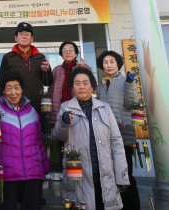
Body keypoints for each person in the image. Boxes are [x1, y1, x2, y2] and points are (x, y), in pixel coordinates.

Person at [53, 67, 130, 210]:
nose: (81, 86)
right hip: (78, 177)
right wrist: (64, 122)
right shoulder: (65, 108)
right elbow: (58, 135)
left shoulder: (105, 108)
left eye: (85, 83)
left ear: (92, 86)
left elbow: (116, 143)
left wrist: (122, 176)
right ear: (72, 87)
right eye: (77, 83)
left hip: (104, 176)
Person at [0, 70, 50, 210]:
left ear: (22, 90)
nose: (13, 92)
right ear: (3, 91)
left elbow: (39, 142)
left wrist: (44, 169)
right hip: (6, 175)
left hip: (32, 175)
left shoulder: (31, 111)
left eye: (17, 87)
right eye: (9, 88)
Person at [96, 50, 140, 210]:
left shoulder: (125, 81)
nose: (108, 65)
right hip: (106, 134)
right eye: (105, 62)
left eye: (111, 62)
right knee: (111, 173)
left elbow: (132, 104)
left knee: (126, 174)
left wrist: (129, 83)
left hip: (123, 132)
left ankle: (133, 207)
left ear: (118, 64)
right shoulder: (101, 85)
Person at [0, 22, 53, 130]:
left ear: (32, 38)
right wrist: (1, 105)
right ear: (16, 38)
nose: (24, 36)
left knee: (37, 137)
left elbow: (48, 82)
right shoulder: (8, 57)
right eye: (21, 33)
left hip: (37, 107)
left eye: (27, 33)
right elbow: (1, 83)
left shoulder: (40, 57)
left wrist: (47, 70)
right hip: (14, 106)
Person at [48, 41, 91, 125]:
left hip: (78, 109)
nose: (68, 52)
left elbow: (91, 86)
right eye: (64, 50)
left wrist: (85, 68)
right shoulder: (57, 69)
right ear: (61, 55)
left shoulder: (82, 67)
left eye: (71, 50)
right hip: (59, 110)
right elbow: (51, 89)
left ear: (76, 54)